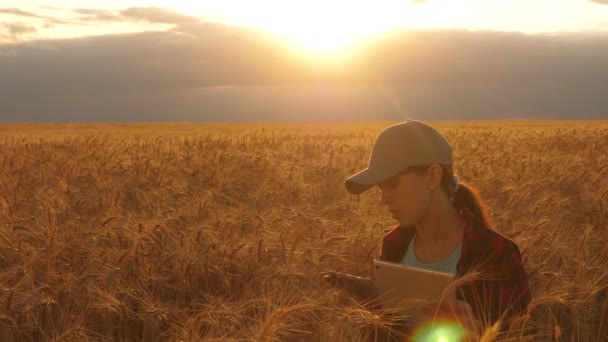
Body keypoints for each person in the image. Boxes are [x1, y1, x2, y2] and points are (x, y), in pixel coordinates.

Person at [321, 120, 532, 340]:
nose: (384, 199)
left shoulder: (496, 254)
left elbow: (525, 334)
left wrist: (478, 335)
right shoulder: (394, 244)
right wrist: (367, 290)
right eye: (380, 188)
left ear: (432, 176)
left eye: (393, 184)